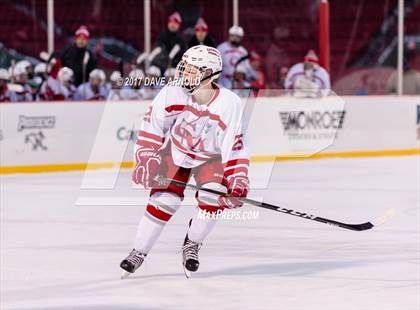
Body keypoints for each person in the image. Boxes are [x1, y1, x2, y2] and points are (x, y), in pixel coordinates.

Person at [120, 45, 250, 278]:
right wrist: (145, 159)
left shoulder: (230, 103)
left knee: (212, 199)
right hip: (177, 151)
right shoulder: (172, 92)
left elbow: (234, 145)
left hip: (211, 158)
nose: (185, 74)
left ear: (209, 73)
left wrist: (237, 180)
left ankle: (192, 243)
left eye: (192, 70)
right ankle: (139, 251)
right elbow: (152, 128)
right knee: (164, 200)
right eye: (185, 68)